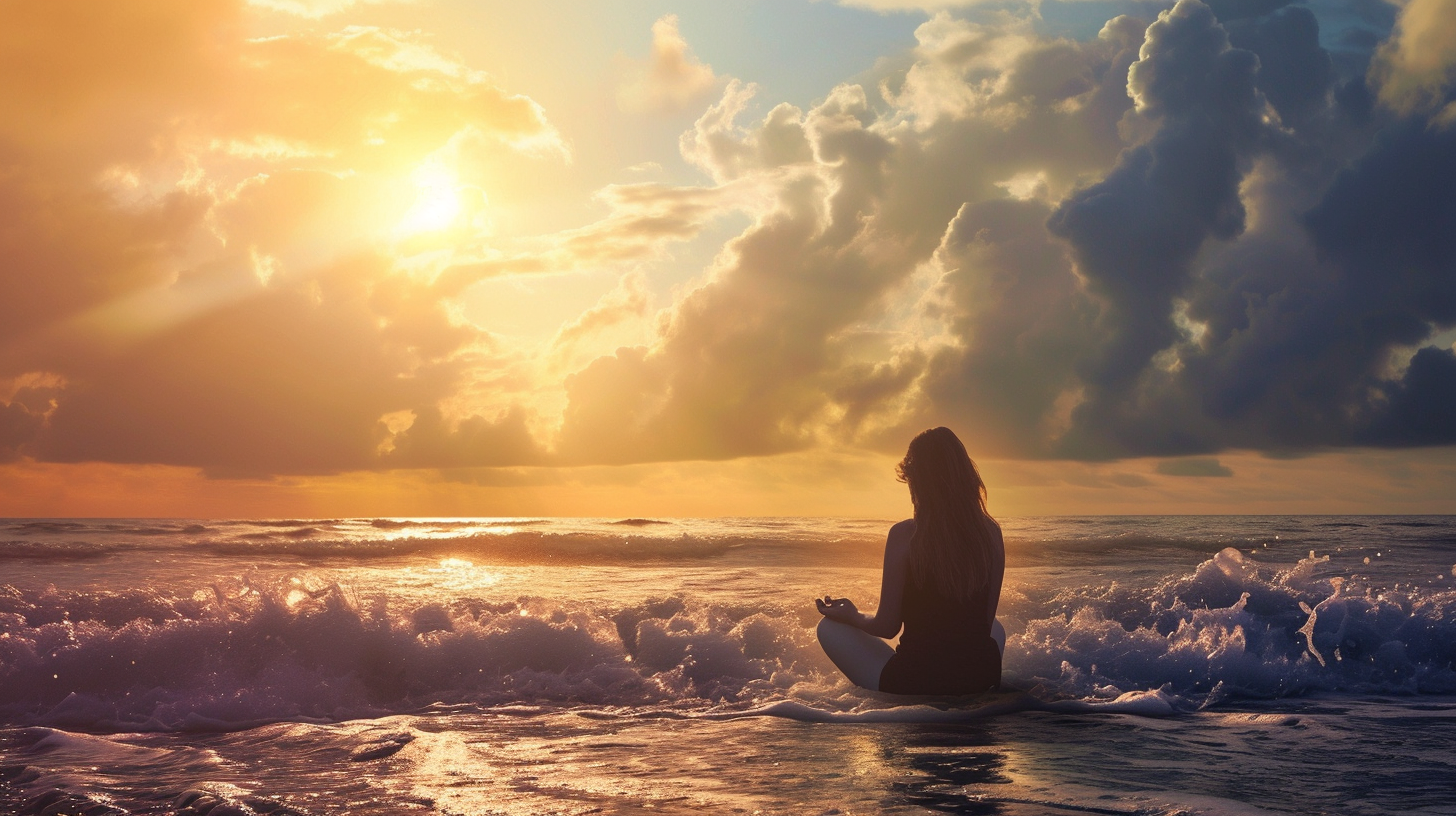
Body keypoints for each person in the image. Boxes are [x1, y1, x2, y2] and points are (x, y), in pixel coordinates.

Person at [815, 426, 1006, 695]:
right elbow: (984, 624)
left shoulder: (905, 534)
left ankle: (893, 695)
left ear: (917, 480)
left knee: (828, 628)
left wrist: (853, 615)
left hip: (917, 681)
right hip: (981, 677)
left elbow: (887, 626)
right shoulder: (991, 532)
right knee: (995, 628)